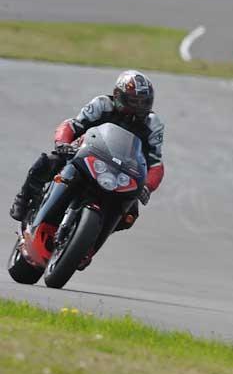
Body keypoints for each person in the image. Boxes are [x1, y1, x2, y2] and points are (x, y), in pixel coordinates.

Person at [9, 71, 165, 253]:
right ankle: (23, 198)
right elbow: (72, 125)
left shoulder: (153, 124)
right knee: (50, 161)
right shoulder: (101, 104)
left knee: (130, 214)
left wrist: (147, 186)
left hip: (121, 171)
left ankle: (89, 242)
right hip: (85, 154)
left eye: (144, 102)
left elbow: (155, 163)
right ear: (118, 95)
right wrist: (63, 143)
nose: (139, 107)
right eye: (134, 101)